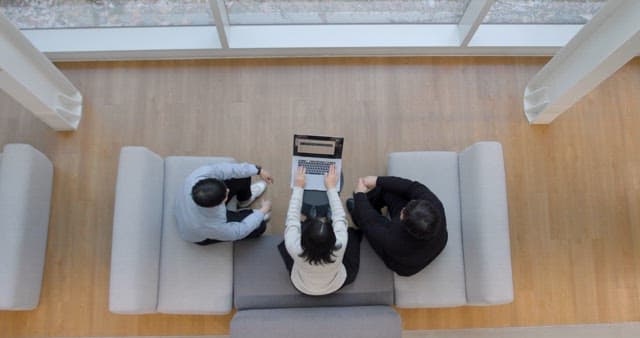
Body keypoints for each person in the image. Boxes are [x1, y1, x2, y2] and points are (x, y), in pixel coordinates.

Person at [277, 165, 362, 296]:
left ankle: (311, 217)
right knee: (352, 234)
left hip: (302, 285)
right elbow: (340, 218)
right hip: (335, 283)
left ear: (303, 239)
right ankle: (324, 215)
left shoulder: (293, 247)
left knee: (295, 227)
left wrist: (298, 187)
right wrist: (331, 188)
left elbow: (292, 218)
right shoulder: (340, 244)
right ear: (333, 239)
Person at [347, 176, 447, 276]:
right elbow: (411, 187)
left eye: (403, 212)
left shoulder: (394, 240)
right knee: (386, 189)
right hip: (432, 245)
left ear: (403, 221)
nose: (403, 208)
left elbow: (370, 221)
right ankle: (368, 204)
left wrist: (359, 196)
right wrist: (377, 180)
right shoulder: (435, 205)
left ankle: (356, 216)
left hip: (403, 264)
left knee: (367, 225)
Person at [175, 162, 273, 245]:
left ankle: (244, 200)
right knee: (260, 225)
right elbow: (240, 231)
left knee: (242, 176)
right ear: (218, 205)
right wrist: (262, 211)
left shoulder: (198, 176)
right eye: (226, 195)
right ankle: (256, 215)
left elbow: (229, 169)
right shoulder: (211, 226)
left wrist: (258, 170)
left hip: (190, 210)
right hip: (198, 231)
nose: (228, 189)